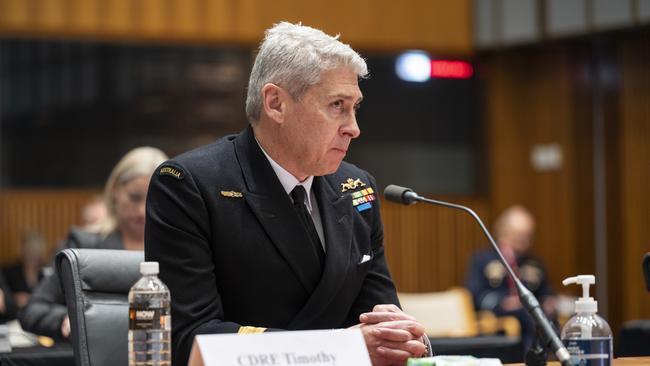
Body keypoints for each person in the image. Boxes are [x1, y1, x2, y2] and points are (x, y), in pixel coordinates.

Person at [145, 22, 430, 366]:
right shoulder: (190, 183)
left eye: (355, 107)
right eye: (337, 105)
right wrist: (340, 347)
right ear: (276, 103)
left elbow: (375, 317)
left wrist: (405, 336)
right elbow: (188, 341)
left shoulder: (357, 189)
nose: (353, 128)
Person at [18, 146, 167, 339]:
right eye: (134, 197)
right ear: (115, 191)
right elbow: (32, 311)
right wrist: (68, 319)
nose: (141, 211)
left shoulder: (178, 248)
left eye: (152, 200)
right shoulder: (83, 245)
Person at [465, 205, 556, 351]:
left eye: (528, 235)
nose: (525, 239)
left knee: (544, 316)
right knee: (529, 315)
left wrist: (549, 300)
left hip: (533, 310)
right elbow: (474, 294)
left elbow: (546, 291)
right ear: (504, 231)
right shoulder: (483, 259)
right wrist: (502, 302)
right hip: (498, 315)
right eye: (520, 234)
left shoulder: (534, 263)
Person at [2, 231, 46, 309]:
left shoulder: (44, 274)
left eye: (35, 252)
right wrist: (14, 300)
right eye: (29, 252)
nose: (32, 257)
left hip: (36, 314)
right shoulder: (9, 272)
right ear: (23, 252)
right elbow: (4, 300)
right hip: (15, 316)